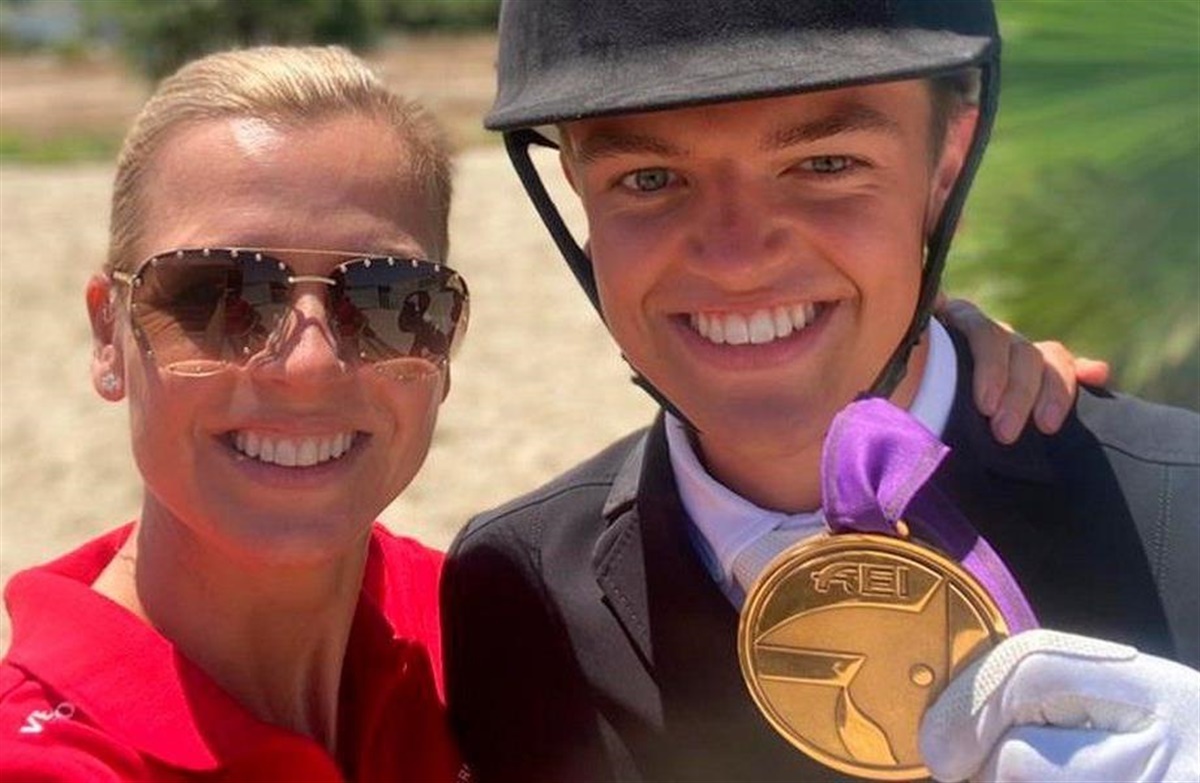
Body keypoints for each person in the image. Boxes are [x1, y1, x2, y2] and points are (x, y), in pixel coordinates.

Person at [442, 2, 1200, 782]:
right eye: (650, 178)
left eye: (827, 164)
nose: (738, 259)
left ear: (946, 161)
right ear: (576, 186)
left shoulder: (1181, 515)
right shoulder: (516, 595)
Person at [0, 46, 469, 781]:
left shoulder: (497, 629)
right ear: (108, 335)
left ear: (443, 345)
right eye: (218, 296)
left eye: (388, 301)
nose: (309, 364)